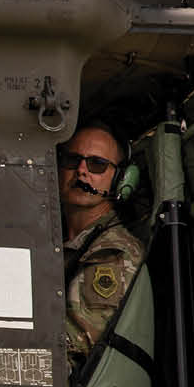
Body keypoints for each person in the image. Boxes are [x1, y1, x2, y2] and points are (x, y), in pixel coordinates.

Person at [58, 123, 147, 368]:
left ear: (121, 179)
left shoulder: (113, 252)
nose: (81, 171)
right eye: (72, 160)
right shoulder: (59, 242)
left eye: (97, 164)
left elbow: (75, 348)